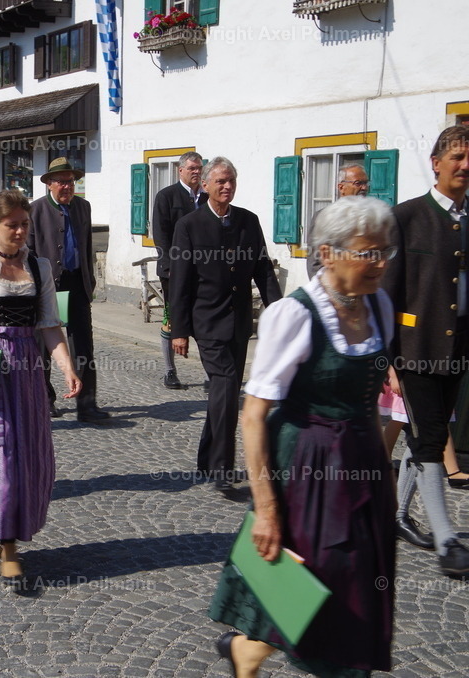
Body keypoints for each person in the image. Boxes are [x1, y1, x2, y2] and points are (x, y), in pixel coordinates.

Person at [210, 196, 397, 678]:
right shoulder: (293, 315)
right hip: (305, 471)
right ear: (328, 253)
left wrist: (385, 478)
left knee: (349, 588)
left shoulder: (380, 306)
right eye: (367, 252)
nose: (378, 262)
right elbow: (253, 416)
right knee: (316, 583)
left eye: (384, 252)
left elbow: (370, 402)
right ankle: (253, 652)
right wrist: (267, 510)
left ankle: (247, 653)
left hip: (361, 467)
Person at [0, 189, 82, 587]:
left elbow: (50, 325)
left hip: (27, 371)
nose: (20, 231)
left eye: (24, 224)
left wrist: (68, 369)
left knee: (30, 457)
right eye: (12, 225)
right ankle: (7, 547)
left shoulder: (39, 267)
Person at [383, 125, 469, 576]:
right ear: (436, 163)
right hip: (414, 351)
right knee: (431, 439)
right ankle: (447, 540)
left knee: (424, 439)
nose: (465, 165)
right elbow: (388, 294)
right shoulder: (407, 217)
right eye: (456, 157)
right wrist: (388, 359)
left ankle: (397, 516)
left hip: (458, 352)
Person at [170, 157, 282, 492]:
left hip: (238, 322)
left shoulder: (248, 221)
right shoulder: (189, 225)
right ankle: (223, 466)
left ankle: (207, 456)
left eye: (231, 180)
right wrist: (179, 330)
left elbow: (263, 270)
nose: (227, 186)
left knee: (225, 391)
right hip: (206, 321)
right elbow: (179, 281)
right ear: (204, 185)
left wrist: (281, 314)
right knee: (227, 384)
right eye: (220, 181)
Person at [27, 157, 109, 423]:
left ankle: (87, 404)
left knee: (83, 345)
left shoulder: (83, 207)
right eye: (61, 181)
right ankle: (45, 399)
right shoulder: (35, 210)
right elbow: (28, 253)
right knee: (45, 346)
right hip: (49, 286)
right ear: (49, 184)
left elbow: (87, 247)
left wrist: (90, 281)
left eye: (71, 181)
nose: (67, 186)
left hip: (77, 283)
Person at [151, 151, 207, 389]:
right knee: (172, 319)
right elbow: (161, 236)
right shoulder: (166, 196)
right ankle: (169, 371)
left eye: (199, 168)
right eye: (192, 168)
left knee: (205, 320)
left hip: (203, 271)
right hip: (174, 271)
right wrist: (172, 267)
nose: (196, 172)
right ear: (180, 170)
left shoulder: (206, 198)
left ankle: (210, 373)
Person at [306, 163, 370, 277]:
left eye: (366, 183)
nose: (364, 187)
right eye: (358, 183)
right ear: (341, 187)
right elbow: (314, 263)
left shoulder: (373, 218)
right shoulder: (324, 217)